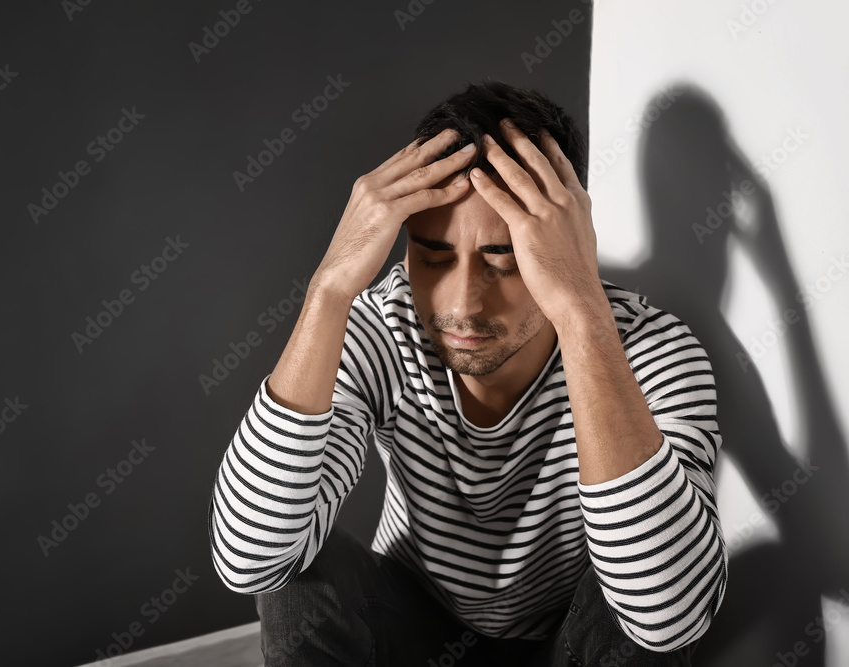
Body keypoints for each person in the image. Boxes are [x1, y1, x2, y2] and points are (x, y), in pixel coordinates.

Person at [207, 79, 728, 666]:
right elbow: (248, 559)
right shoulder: (384, 326)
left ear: (566, 242)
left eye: (503, 261)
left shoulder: (652, 349)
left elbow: (670, 620)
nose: (461, 305)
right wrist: (329, 291)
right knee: (300, 580)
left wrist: (584, 319)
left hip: (568, 644)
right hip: (414, 631)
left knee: (641, 595)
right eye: (432, 256)